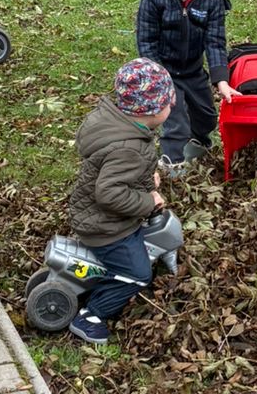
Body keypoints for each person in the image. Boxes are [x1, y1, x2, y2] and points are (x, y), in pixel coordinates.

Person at [65, 58, 176, 348]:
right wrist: (147, 200)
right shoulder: (130, 148)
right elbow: (110, 194)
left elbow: (113, 168)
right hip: (107, 227)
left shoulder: (116, 123)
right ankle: (91, 315)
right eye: (168, 101)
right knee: (138, 273)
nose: (173, 104)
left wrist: (145, 176)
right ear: (151, 110)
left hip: (91, 212)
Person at [134, 0, 234, 173]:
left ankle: (198, 142)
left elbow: (215, 42)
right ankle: (172, 162)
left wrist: (221, 80)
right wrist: (159, 78)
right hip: (165, 70)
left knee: (207, 116)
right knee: (175, 117)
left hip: (193, 70)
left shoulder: (212, 1)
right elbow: (146, 41)